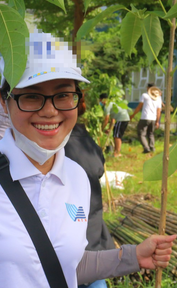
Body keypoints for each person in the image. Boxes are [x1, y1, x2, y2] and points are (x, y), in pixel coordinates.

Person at [0, 32, 176, 288]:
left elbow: (68, 264)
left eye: (64, 95)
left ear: (77, 100)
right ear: (5, 101)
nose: (50, 111)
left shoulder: (78, 178)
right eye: (31, 96)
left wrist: (132, 256)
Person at [66, 94, 116, 288]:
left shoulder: (61, 147)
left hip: (78, 243)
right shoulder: (87, 140)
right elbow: (99, 168)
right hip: (91, 236)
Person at [130, 84, 162, 153]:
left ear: (148, 88)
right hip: (153, 118)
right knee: (151, 133)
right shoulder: (158, 98)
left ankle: (146, 148)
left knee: (141, 133)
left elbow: (139, 107)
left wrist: (133, 115)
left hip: (145, 117)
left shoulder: (145, 95)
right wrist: (157, 121)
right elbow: (159, 111)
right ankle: (152, 147)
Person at [100, 93, 131, 158]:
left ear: (102, 99)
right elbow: (112, 118)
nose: (100, 102)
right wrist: (109, 128)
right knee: (118, 135)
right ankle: (117, 152)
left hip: (121, 119)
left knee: (117, 136)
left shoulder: (107, 106)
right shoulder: (112, 103)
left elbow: (106, 119)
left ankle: (117, 153)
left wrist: (101, 129)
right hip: (125, 118)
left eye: (100, 100)